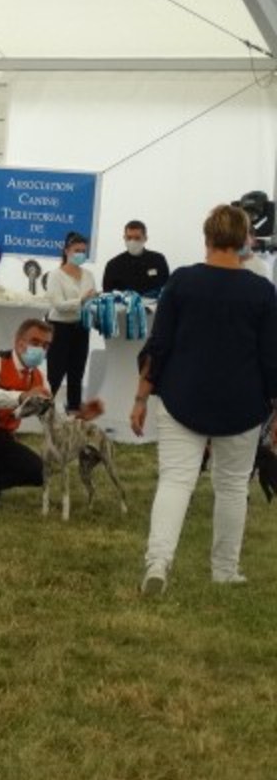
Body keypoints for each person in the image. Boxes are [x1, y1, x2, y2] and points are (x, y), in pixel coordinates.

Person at [132, 204, 277, 595]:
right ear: (244, 240)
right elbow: (271, 357)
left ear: (207, 238)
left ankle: (158, 562)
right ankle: (225, 570)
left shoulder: (181, 282)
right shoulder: (262, 291)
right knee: (232, 487)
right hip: (243, 403)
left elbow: (159, 345)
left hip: (182, 395)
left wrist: (141, 397)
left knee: (175, 481)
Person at [0, 318, 102, 508]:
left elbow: (54, 418)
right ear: (19, 342)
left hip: (1, 438)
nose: (41, 349)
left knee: (40, 472)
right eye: (35, 342)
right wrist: (24, 396)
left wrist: (80, 417)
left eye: (46, 345)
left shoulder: (39, 378)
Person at [46, 231, 98, 413]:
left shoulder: (89, 275)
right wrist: (81, 300)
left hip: (81, 327)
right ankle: (46, 409)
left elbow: (91, 300)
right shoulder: (55, 275)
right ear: (66, 250)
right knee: (55, 372)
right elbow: (58, 305)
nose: (80, 254)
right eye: (77, 250)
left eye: (83, 251)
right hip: (59, 327)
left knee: (77, 371)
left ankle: (74, 409)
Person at [101, 220, 170, 296]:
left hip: (153, 303)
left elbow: (166, 289)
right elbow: (107, 294)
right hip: (123, 303)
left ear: (145, 238)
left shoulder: (158, 260)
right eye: (129, 238)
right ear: (124, 238)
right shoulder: (113, 265)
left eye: (137, 238)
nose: (132, 241)